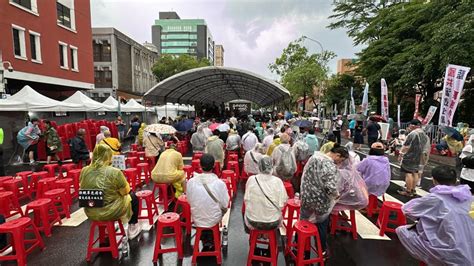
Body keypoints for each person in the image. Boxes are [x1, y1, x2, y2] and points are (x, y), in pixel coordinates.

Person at [396, 166, 474, 265]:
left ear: (434, 180)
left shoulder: (435, 198)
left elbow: (407, 209)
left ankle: (433, 261)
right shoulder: (468, 197)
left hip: (450, 254)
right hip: (470, 252)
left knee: (402, 230)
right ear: (455, 180)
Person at [80, 144, 141, 239]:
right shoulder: (115, 172)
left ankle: (109, 227)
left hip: (90, 211)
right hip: (110, 212)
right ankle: (133, 225)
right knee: (133, 196)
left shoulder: (84, 170)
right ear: (108, 156)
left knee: (109, 197)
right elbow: (125, 192)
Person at [300, 144, 349, 254]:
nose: (340, 163)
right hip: (320, 201)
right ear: (337, 155)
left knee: (303, 220)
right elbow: (330, 187)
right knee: (322, 224)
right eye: (341, 160)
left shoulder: (314, 157)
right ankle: (321, 249)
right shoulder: (329, 165)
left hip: (306, 196)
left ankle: (299, 243)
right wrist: (336, 196)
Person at [186, 154, 229, 250]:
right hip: (214, 219)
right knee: (218, 210)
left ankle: (204, 236)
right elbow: (225, 204)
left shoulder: (191, 182)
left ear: (200, 165)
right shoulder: (219, 183)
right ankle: (210, 237)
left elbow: (189, 200)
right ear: (214, 165)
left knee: (203, 211)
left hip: (197, 217)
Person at [244, 156, 288, 231]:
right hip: (273, 222)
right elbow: (283, 204)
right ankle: (267, 236)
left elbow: (246, 200)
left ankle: (258, 235)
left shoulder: (251, 179)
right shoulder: (278, 181)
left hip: (253, 221)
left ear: (259, 167)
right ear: (272, 167)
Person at [397, 119, 430, 197]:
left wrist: (400, 154)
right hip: (420, 157)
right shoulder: (424, 134)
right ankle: (413, 189)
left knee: (408, 173)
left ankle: (408, 191)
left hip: (410, 156)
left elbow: (406, 146)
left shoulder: (413, 134)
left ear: (413, 125)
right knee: (415, 172)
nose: (409, 127)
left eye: (410, 125)